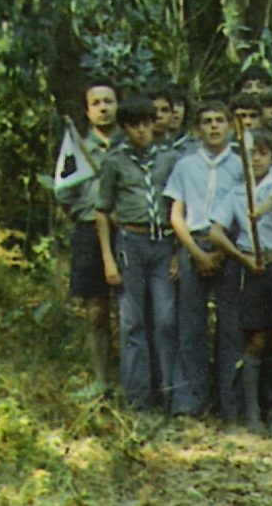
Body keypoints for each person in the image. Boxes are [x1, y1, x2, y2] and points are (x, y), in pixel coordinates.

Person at [209, 128, 272, 435]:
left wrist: (257, 211)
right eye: (251, 154)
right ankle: (253, 414)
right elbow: (215, 232)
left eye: (262, 153)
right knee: (256, 339)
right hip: (253, 268)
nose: (257, 159)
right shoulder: (235, 193)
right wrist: (241, 257)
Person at [94, 95, 179, 411]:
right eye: (134, 125)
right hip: (131, 243)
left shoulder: (168, 159)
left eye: (146, 123)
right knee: (132, 322)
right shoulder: (114, 162)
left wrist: (176, 251)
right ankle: (138, 400)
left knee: (166, 320)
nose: (142, 131)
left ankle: (169, 394)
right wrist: (107, 259)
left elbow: (179, 206)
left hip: (163, 244)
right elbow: (102, 211)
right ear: (125, 128)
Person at [165, 100, 245, 419]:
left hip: (229, 250)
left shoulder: (242, 167)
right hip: (193, 246)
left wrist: (221, 253)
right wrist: (197, 253)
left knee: (231, 327)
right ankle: (190, 401)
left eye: (219, 121)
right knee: (190, 327)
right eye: (207, 121)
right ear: (197, 129)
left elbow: (243, 216)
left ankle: (230, 403)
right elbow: (176, 215)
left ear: (230, 126)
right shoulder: (185, 165)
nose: (213, 126)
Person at [56, 78, 120, 396]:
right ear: (87, 110)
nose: (103, 108)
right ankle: (101, 380)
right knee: (96, 311)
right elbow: (65, 197)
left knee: (133, 310)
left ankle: (135, 380)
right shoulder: (76, 149)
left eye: (109, 101)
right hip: (89, 233)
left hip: (127, 233)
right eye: (96, 103)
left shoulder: (130, 145)